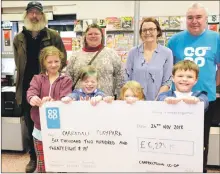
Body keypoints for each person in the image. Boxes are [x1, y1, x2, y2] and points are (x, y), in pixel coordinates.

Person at [13, 1, 67, 172]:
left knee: (54, 124)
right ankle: (34, 158)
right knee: (31, 126)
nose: (34, 16)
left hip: (49, 86)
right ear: (26, 15)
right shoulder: (18, 38)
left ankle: (55, 157)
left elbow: (62, 58)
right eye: (31, 12)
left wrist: (51, 74)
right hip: (27, 89)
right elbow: (18, 63)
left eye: (37, 12)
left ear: (43, 15)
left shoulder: (53, 36)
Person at [167, 3, 220, 172]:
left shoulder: (216, 38)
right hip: (177, 100)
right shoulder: (175, 40)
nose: (194, 21)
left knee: (201, 141)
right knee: (177, 138)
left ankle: (200, 170)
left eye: (198, 17)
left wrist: (212, 85)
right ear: (186, 19)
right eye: (190, 18)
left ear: (206, 19)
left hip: (206, 100)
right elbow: (169, 68)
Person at [26, 46, 72, 173]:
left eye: (56, 61)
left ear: (61, 62)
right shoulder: (37, 79)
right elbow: (31, 92)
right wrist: (33, 98)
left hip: (59, 129)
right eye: (49, 62)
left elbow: (66, 97)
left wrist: (58, 102)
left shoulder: (66, 80)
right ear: (43, 63)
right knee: (42, 162)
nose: (53, 65)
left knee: (60, 162)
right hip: (39, 129)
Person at [66, 23, 124, 99]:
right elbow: (68, 78)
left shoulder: (111, 54)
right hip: (80, 102)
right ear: (85, 37)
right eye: (90, 34)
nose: (93, 36)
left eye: (96, 34)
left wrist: (120, 98)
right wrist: (68, 97)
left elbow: (120, 77)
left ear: (101, 36)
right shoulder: (75, 55)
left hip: (105, 101)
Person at [125, 17, 173, 101]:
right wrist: (131, 98)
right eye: (144, 30)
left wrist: (157, 101)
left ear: (157, 31)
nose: (147, 32)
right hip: (135, 102)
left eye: (151, 29)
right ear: (141, 33)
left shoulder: (167, 53)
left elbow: (167, 81)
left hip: (157, 103)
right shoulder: (133, 52)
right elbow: (127, 78)